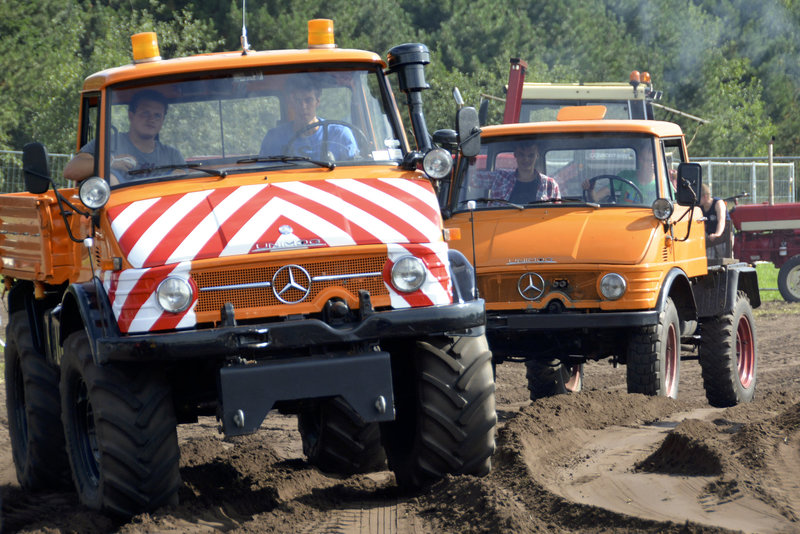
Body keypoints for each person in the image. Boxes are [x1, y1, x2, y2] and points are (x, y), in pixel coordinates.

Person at [63, 89, 184, 183]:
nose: (151, 119)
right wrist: (110, 162)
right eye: (145, 113)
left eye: (157, 115)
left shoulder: (172, 155)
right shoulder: (109, 142)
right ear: (131, 116)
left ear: (162, 120)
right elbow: (71, 171)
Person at [260, 79, 358, 162]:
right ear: (291, 102)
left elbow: (355, 172)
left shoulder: (340, 135)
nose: (303, 106)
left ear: (317, 102)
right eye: (298, 101)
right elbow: (263, 174)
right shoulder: (274, 138)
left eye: (308, 100)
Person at [471, 143, 560, 203]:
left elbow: (556, 216)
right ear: (515, 154)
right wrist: (469, 159)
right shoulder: (500, 178)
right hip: (501, 228)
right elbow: (471, 179)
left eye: (531, 155)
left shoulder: (550, 185)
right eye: (522, 154)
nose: (526, 159)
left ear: (537, 156)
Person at [584, 149, 657, 204]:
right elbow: (596, 198)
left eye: (651, 161)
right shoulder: (626, 175)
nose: (647, 164)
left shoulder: (661, 185)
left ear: (656, 162)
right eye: (644, 160)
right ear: (639, 160)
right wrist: (591, 189)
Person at [700, 183, 732, 259]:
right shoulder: (700, 207)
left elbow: (721, 221)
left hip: (724, 235)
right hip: (710, 236)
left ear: (705, 196)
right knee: (709, 258)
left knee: (723, 256)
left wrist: (717, 234)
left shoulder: (718, 203)